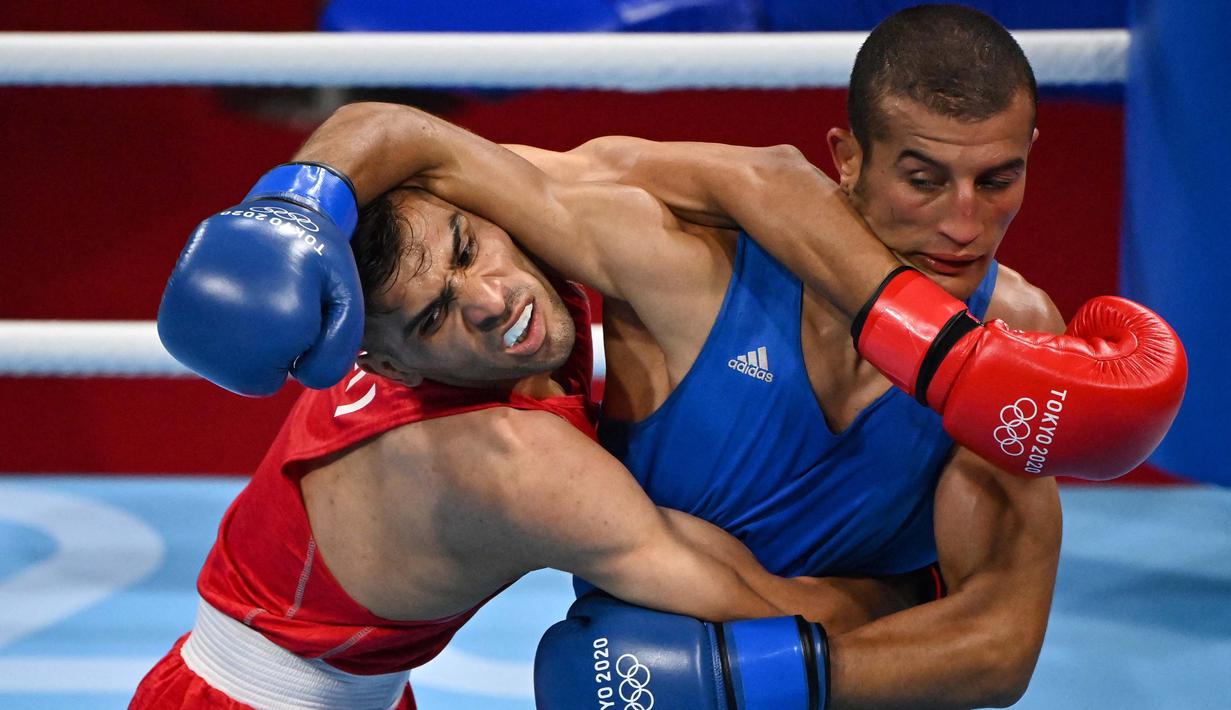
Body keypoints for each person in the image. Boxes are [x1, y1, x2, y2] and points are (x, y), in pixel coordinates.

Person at [153, 7, 1185, 709]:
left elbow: (998, 646)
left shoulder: (1025, 361)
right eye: (921, 178)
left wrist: (748, 676)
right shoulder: (659, 281)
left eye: (996, 180)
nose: (964, 223)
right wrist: (295, 200)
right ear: (847, 160)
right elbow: (390, 126)